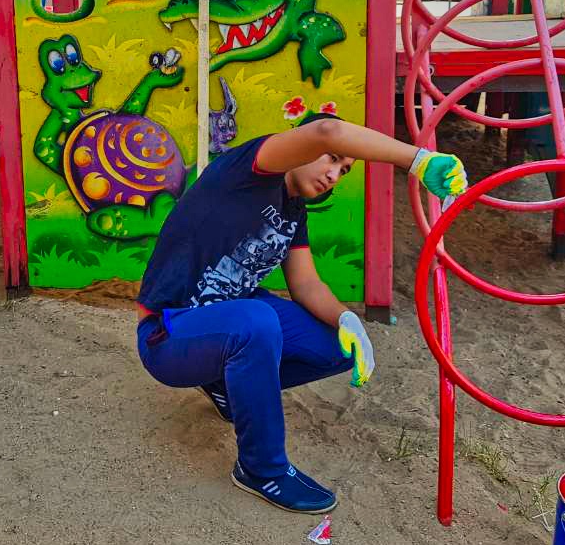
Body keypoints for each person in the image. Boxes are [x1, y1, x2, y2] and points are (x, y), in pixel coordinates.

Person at [136, 113, 468, 514]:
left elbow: (307, 284)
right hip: (168, 334)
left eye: (344, 171)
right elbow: (328, 131)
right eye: (332, 159)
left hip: (225, 325)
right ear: (302, 144)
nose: (334, 175)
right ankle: (261, 470)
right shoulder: (248, 171)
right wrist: (419, 161)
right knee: (256, 323)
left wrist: (347, 320)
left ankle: (225, 385)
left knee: (336, 345)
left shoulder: (294, 212)